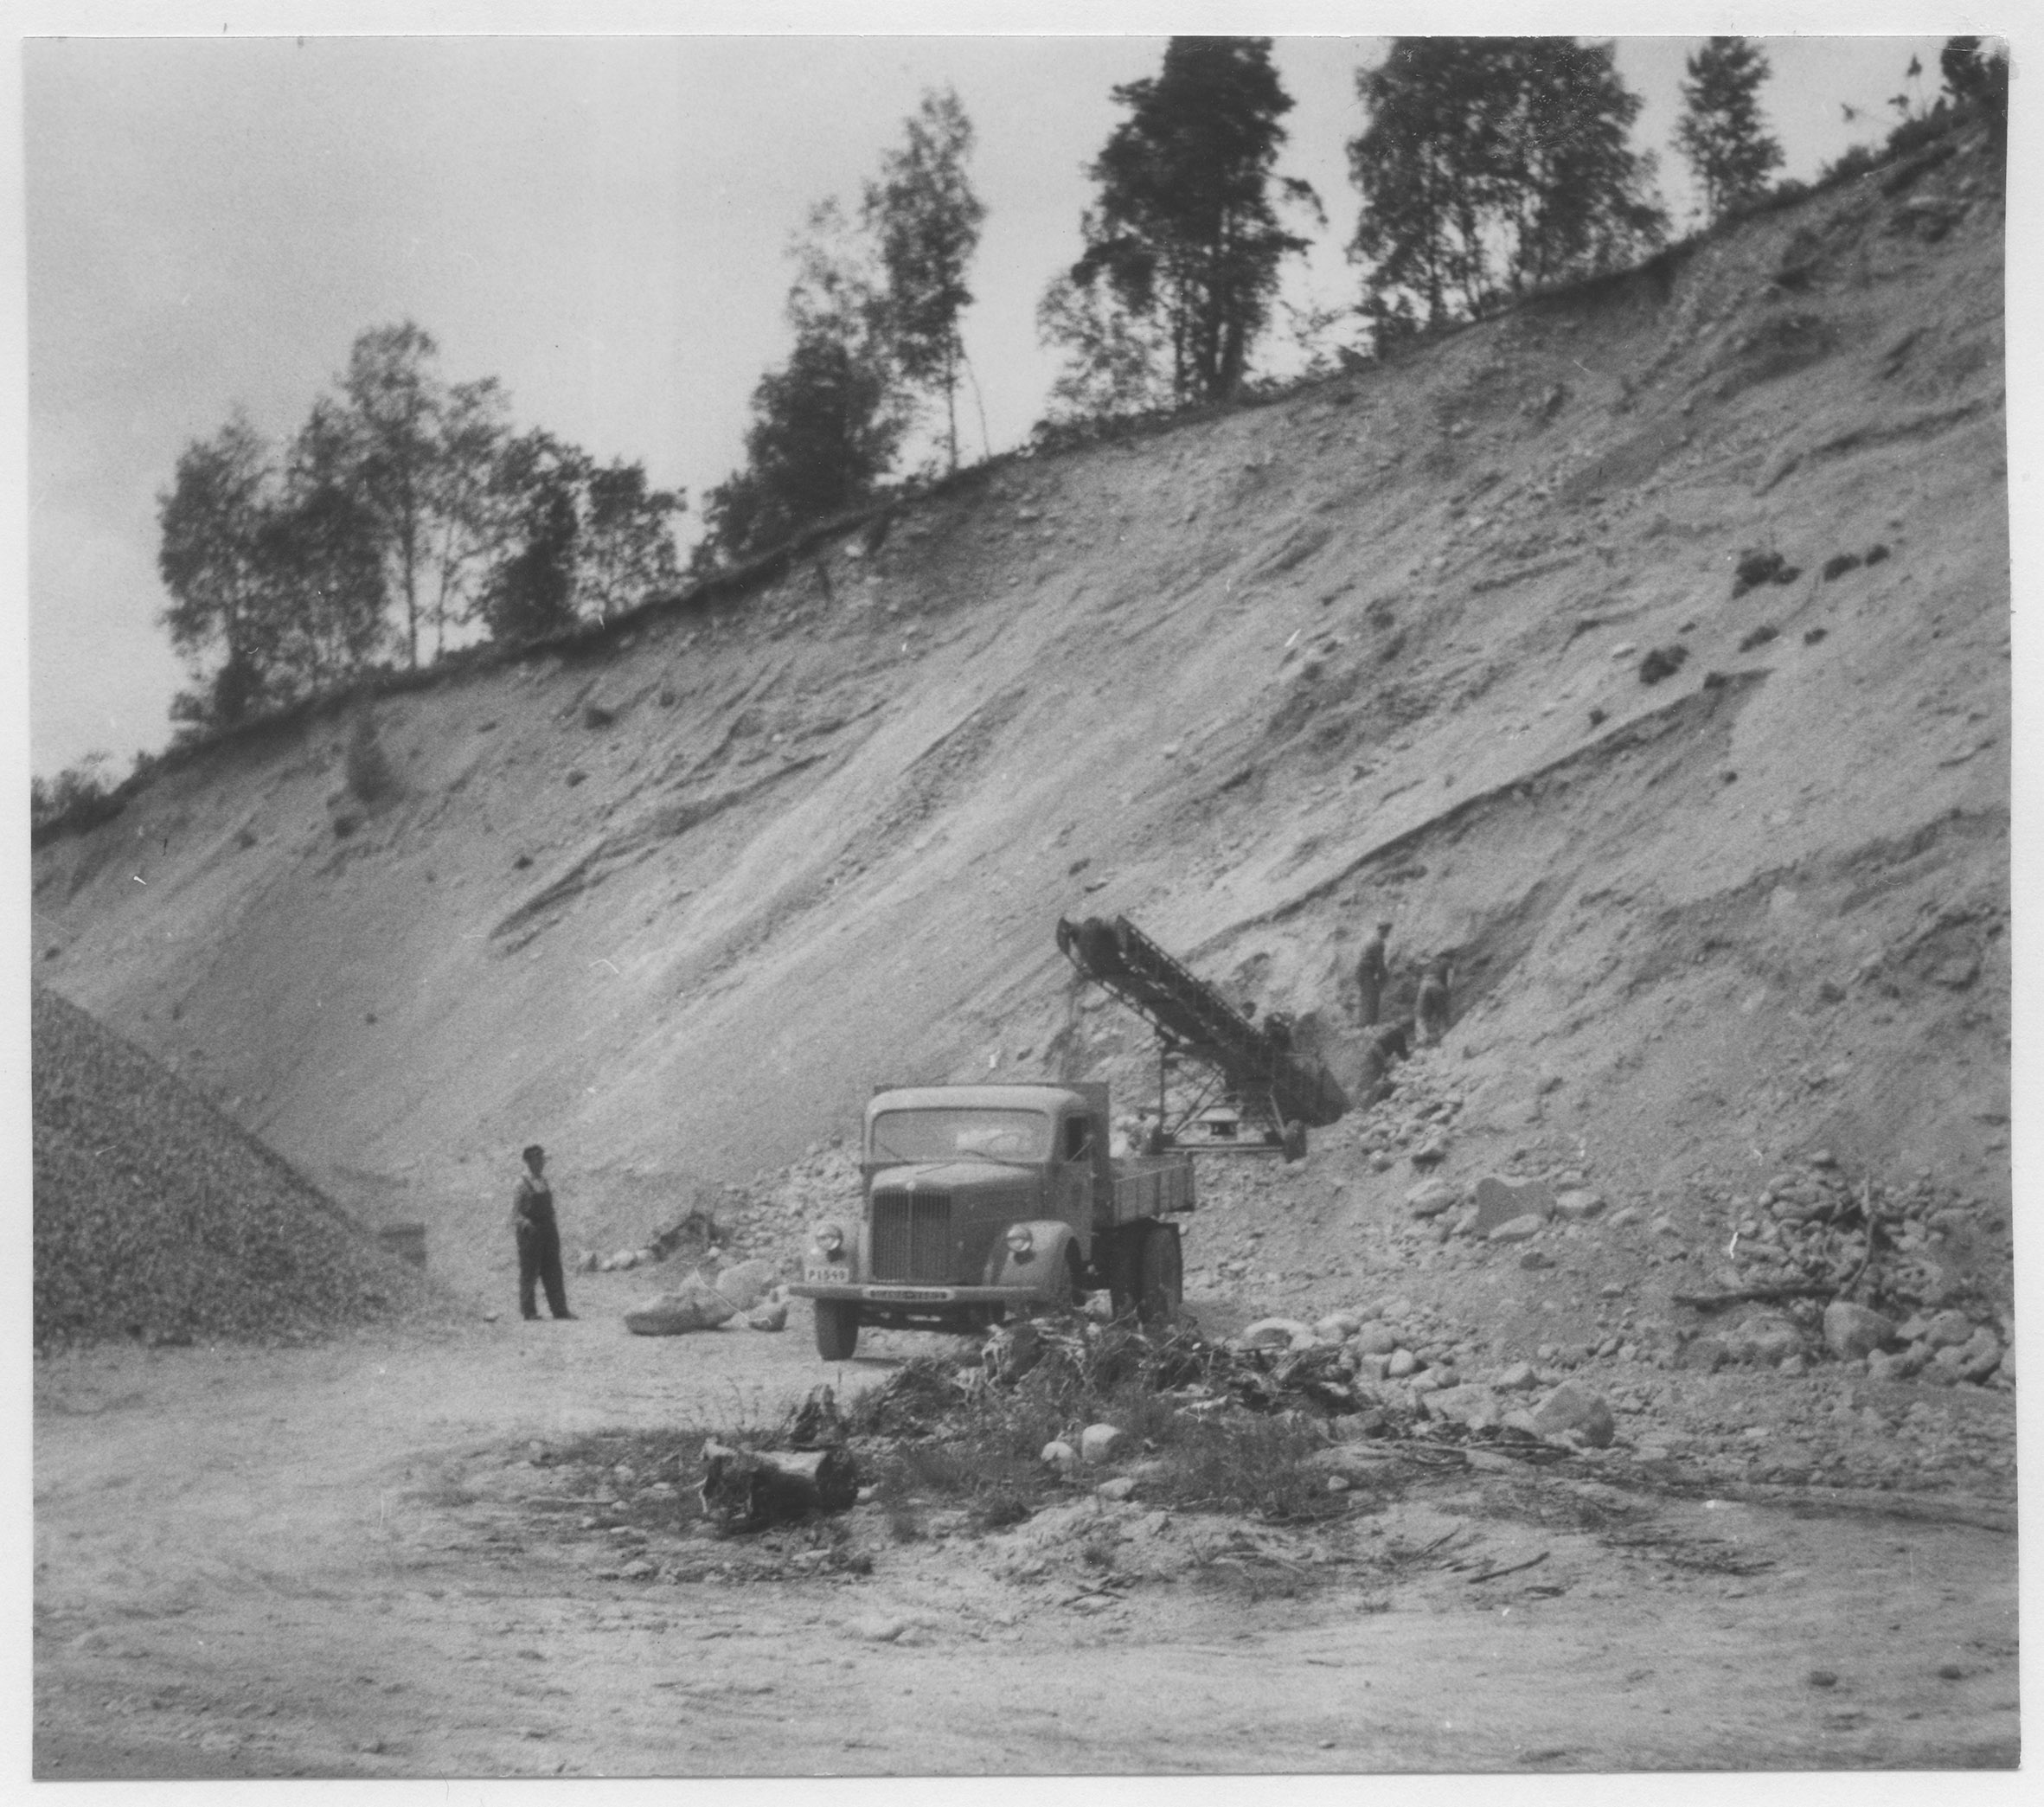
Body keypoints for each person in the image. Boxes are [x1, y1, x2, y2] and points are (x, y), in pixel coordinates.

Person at [513, 1144, 573, 1321]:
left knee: (553, 1270)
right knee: (530, 1272)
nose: (541, 1163)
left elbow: (550, 1206)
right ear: (528, 1161)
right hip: (531, 1234)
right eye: (537, 1159)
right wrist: (527, 1225)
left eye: (542, 1159)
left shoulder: (544, 1181)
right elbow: (515, 1214)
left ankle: (560, 1310)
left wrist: (552, 1221)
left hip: (548, 1231)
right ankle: (529, 1311)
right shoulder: (521, 1184)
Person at [1355, 920, 1392, 1025]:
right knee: (1372, 996)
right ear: (1382, 931)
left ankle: (1364, 1022)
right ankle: (1368, 1023)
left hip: (1363, 971)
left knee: (1367, 996)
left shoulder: (1372, 940)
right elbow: (1379, 962)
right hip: (1366, 972)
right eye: (1386, 931)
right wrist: (1384, 976)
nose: (1387, 934)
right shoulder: (1378, 943)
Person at [1416, 956, 1452, 1047]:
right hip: (1437, 985)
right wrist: (1448, 993)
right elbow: (1449, 981)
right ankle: (1444, 1034)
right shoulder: (1448, 963)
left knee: (1422, 1014)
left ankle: (1424, 1039)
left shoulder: (1431, 965)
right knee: (1442, 1012)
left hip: (1424, 985)